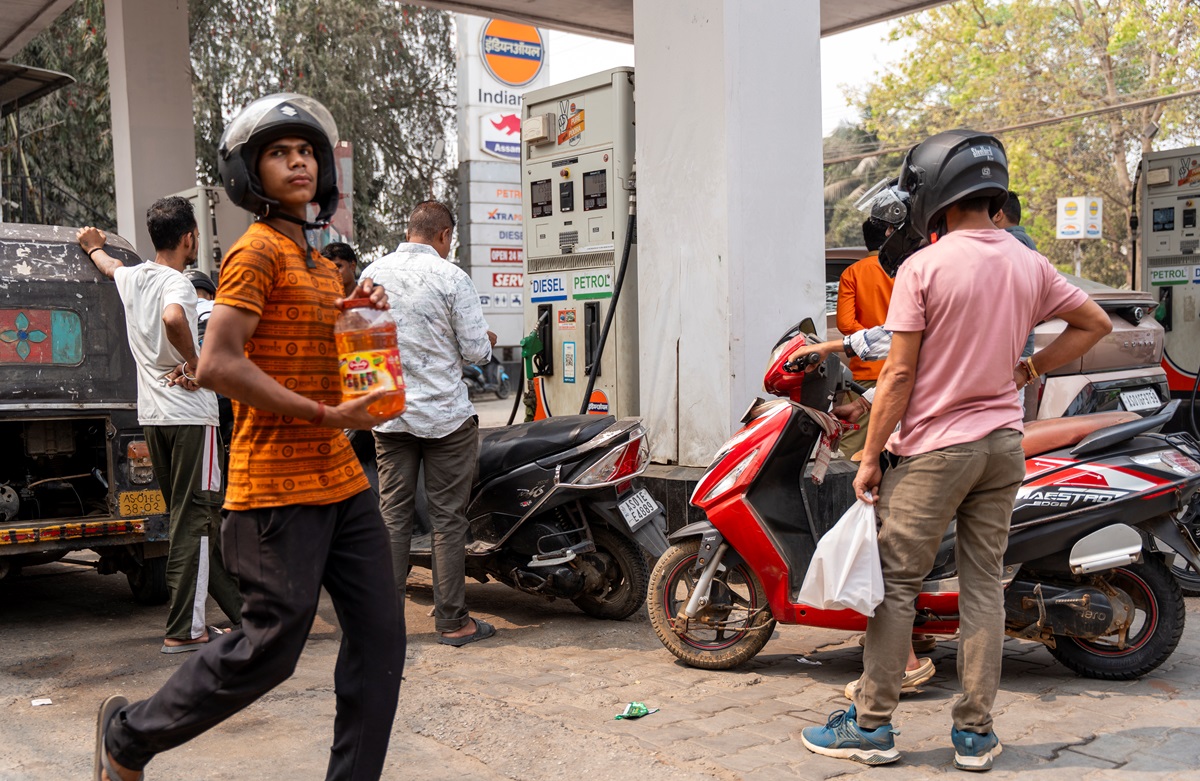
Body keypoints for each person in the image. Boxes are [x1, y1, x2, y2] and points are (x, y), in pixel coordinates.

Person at [92, 93, 404, 781]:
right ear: (249, 172)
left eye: (307, 152)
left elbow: (342, 373)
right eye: (279, 152)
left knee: (381, 640)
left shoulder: (323, 266)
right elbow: (219, 362)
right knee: (270, 648)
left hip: (343, 484)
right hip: (277, 486)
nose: (298, 161)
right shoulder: (257, 252)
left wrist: (361, 317)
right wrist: (324, 415)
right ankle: (128, 736)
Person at [800, 130, 1111, 772]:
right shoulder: (1029, 262)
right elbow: (1095, 325)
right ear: (991, 192)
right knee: (983, 590)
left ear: (933, 196)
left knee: (896, 588)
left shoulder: (925, 266)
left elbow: (900, 375)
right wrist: (1028, 372)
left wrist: (867, 458)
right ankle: (974, 733)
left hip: (938, 450)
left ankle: (872, 726)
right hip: (1002, 446)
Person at [77, 198, 242, 656]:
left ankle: (245, 614)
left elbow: (110, 266)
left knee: (195, 519)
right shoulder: (178, 284)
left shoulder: (133, 277)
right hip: (192, 417)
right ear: (189, 237)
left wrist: (93, 246)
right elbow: (173, 319)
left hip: (154, 417)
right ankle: (185, 629)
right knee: (195, 519)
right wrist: (195, 362)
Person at [363, 201, 498, 647]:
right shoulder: (452, 277)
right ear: (444, 235)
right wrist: (484, 340)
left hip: (389, 415)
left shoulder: (373, 273)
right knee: (446, 520)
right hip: (445, 418)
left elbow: (358, 345)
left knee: (393, 518)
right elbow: (478, 351)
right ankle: (452, 622)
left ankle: (382, 624)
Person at [834, 218, 895, 458]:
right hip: (905, 368)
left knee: (853, 448)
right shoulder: (906, 270)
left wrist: (873, 339)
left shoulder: (853, 273)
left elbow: (845, 324)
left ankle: (848, 494)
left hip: (866, 375)